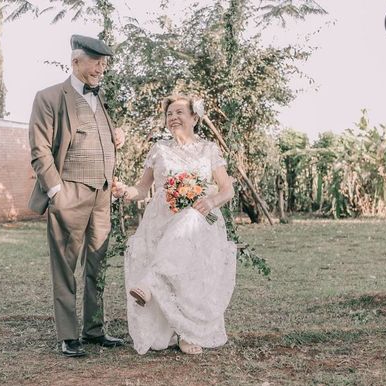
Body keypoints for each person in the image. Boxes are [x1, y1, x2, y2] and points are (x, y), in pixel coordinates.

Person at [112, 95, 237, 355]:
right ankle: (170, 323)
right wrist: (124, 190)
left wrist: (211, 201)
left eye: (180, 112)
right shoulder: (159, 150)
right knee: (175, 260)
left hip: (200, 220)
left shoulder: (209, 149)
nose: (173, 117)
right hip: (161, 220)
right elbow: (142, 188)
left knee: (190, 256)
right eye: (169, 113)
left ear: (194, 118)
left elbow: (227, 190)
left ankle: (181, 324)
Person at [28, 34, 125, 357]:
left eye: (104, 63)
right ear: (75, 62)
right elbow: (39, 148)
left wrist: (115, 139)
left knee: (98, 264)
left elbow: (95, 139)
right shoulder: (50, 97)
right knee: (66, 266)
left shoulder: (100, 98)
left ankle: (94, 329)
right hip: (69, 192)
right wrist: (56, 190)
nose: (101, 68)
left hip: (102, 195)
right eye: (96, 61)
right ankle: (69, 335)